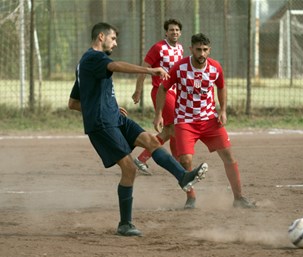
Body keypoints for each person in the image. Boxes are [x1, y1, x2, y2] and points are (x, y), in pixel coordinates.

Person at [68, 23, 208, 237]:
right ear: (101, 37)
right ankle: (125, 224)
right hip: (102, 124)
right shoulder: (93, 58)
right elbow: (116, 66)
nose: (115, 43)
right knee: (129, 169)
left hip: (114, 117)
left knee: (152, 142)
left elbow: (73, 103)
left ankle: (183, 177)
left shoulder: (84, 63)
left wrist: (105, 104)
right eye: (113, 39)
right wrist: (150, 70)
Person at [153, 33, 256, 209]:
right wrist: (158, 114)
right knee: (185, 160)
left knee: (229, 156)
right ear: (191, 49)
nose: (201, 53)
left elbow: (222, 87)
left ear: (209, 50)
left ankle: (238, 198)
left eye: (205, 50)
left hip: (209, 120)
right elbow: (163, 89)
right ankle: (191, 198)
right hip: (185, 121)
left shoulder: (215, 68)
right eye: (198, 49)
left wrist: (222, 110)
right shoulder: (180, 67)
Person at [132, 18, 183, 175]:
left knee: (171, 129)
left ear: (180, 33)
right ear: (166, 32)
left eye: (177, 30)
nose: (174, 32)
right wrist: (138, 90)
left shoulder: (180, 48)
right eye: (171, 30)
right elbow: (143, 69)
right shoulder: (158, 48)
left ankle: (142, 159)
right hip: (161, 91)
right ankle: (177, 163)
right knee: (175, 127)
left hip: (175, 92)